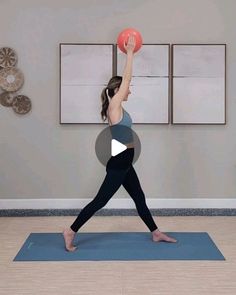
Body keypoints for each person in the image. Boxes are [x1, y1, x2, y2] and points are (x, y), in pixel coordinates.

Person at [63, 34, 177, 252]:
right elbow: (126, 79)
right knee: (100, 201)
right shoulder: (114, 106)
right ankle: (70, 230)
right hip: (119, 163)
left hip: (125, 161)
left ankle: (155, 232)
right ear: (117, 91)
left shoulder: (118, 108)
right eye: (127, 88)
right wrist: (131, 53)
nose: (130, 91)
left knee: (139, 198)